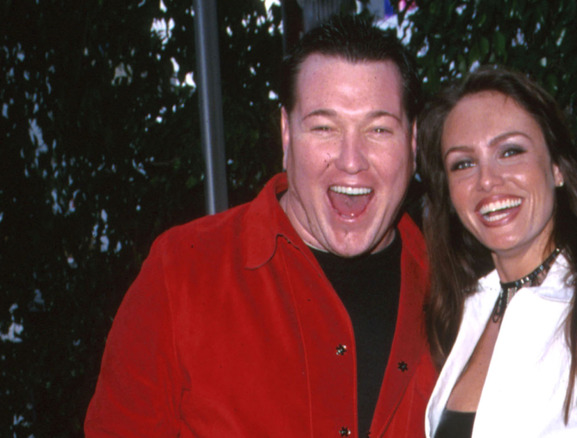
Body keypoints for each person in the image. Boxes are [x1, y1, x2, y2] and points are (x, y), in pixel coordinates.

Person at [84, 15, 436, 437]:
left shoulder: (457, 292)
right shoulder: (180, 272)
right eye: (324, 127)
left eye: (379, 129)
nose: (351, 160)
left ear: (413, 142)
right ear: (287, 134)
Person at [416, 66, 577, 437]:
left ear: (557, 168)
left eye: (510, 151)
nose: (487, 180)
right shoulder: (468, 309)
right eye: (463, 163)